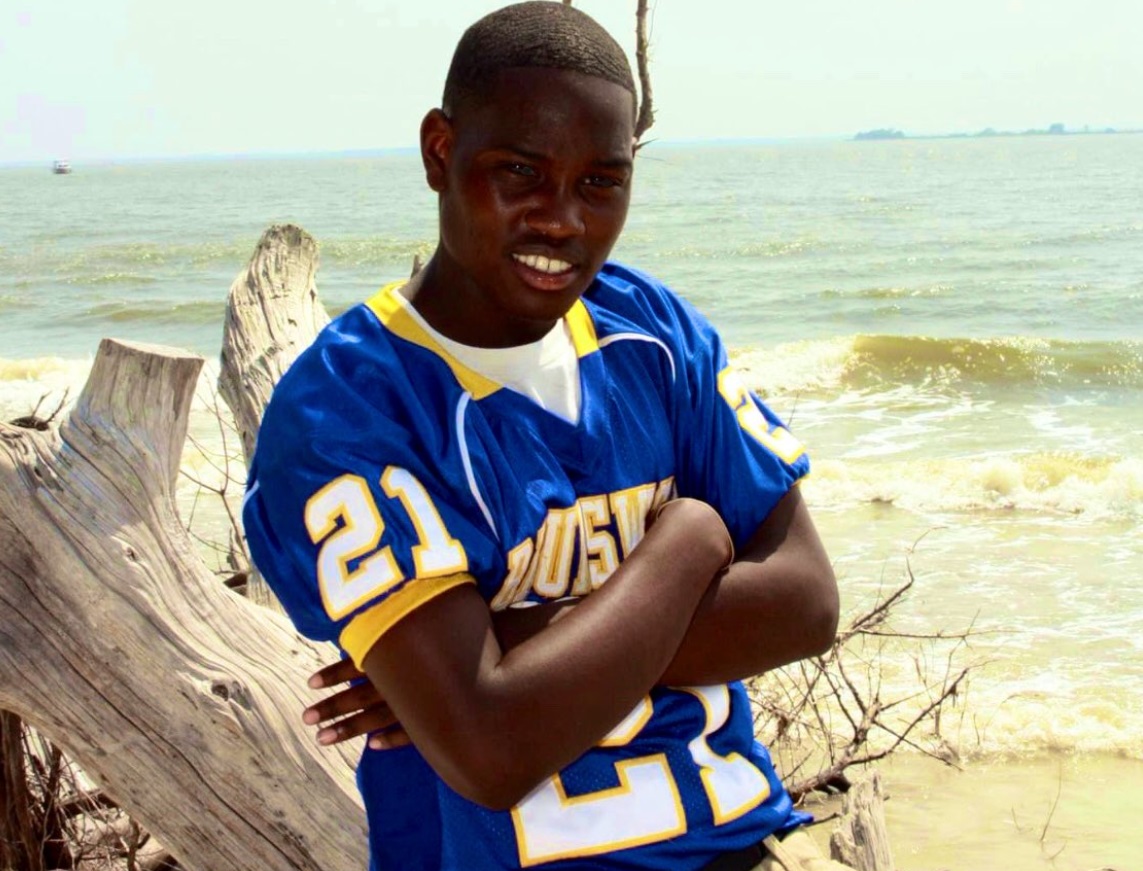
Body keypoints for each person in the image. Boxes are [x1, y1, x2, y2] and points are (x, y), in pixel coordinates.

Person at [242, 3, 845, 869]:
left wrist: (508, 643)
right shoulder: (348, 409)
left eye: (600, 183)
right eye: (520, 171)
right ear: (439, 151)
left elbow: (805, 601)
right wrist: (688, 539)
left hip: (735, 842)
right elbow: (490, 748)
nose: (562, 219)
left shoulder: (654, 334)